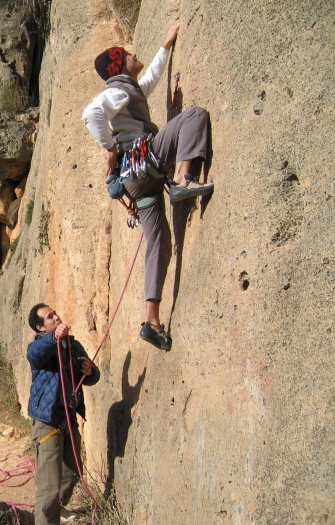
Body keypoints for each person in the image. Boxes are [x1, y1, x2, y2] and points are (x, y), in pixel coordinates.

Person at [82, 22, 214, 351]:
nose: (133, 54)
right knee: (194, 115)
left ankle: (152, 321)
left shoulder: (129, 90)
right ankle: (182, 179)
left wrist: (166, 45)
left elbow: (150, 79)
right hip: (147, 160)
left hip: (137, 184)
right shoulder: (117, 91)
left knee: (159, 244)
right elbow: (91, 113)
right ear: (118, 65)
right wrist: (110, 147)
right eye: (127, 54)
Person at [27, 303, 101, 525]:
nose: (56, 317)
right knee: (49, 486)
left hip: (68, 420)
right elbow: (35, 355)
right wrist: (54, 338)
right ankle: (46, 519)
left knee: (73, 471)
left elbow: (91, 377)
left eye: (55, 313)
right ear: (41, 327)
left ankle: (56, 510)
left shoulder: (73, 345)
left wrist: (91, 371)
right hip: (47, 422)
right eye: (50, 317)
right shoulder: (40, 345)